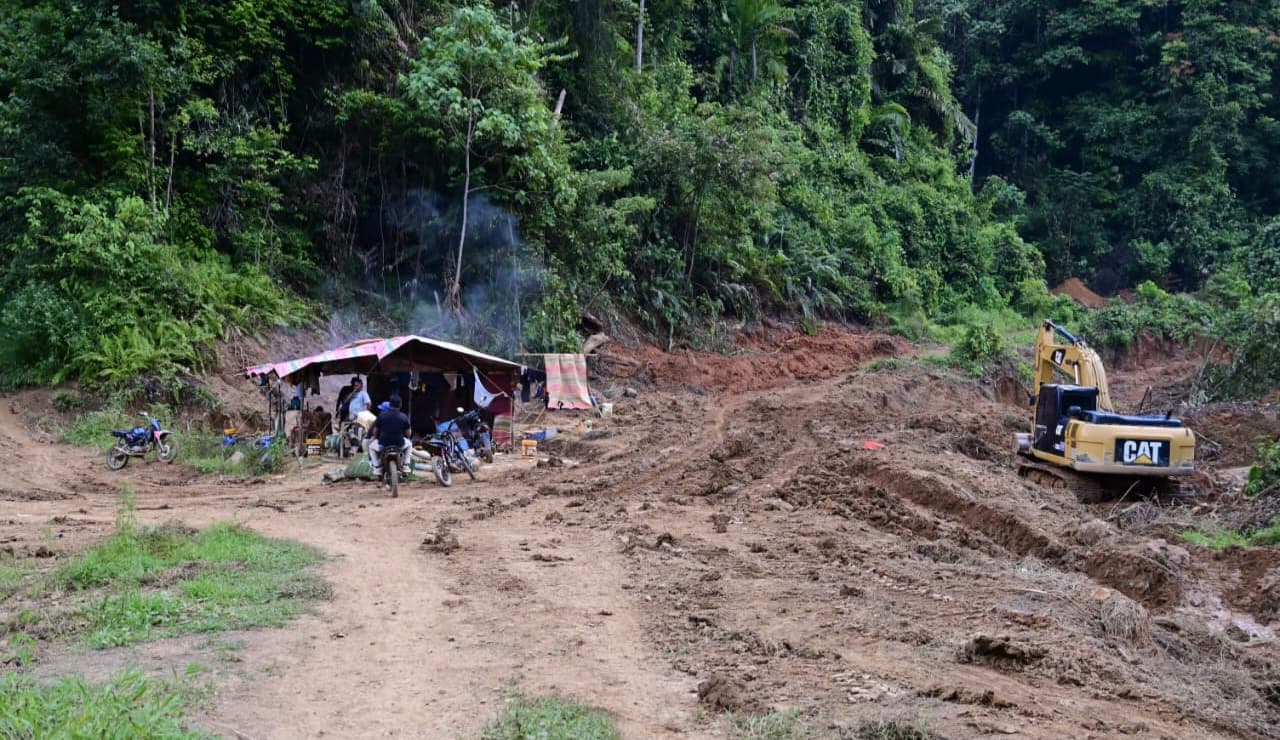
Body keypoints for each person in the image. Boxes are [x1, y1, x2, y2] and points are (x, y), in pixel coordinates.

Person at [368, 395, 412, 477]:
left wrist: (375, 437)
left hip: (383, 445)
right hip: (399, 444)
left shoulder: (381, 415)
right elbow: (409, 434)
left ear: (390, 404)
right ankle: (406, 465)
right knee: (409, 444)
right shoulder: (404, 417)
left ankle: (377, 467)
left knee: (371, 447)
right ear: (400, 405)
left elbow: (375, 432)